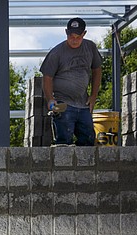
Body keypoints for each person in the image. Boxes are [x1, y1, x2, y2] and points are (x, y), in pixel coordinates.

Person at [40, 17, 103, 146]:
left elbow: (97, 70)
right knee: (64, 141)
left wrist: (93, 96)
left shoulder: (90, 47)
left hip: (83, 103)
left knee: (89, 139)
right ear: (66, 32)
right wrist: (50, 100)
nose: (74, 40)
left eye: (78, 36)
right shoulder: (57, 52)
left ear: (84, 34)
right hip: (62, 102)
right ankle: (63, 165)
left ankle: (85, 166)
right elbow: (47, 78)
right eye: (71, 36)